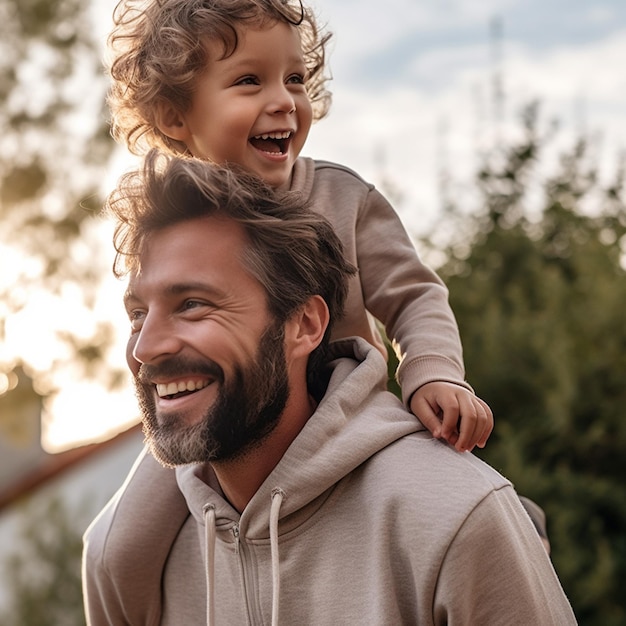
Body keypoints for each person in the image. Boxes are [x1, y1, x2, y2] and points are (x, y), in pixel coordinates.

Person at [82, 152, 577, 625]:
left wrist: (433, 370)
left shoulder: (455, 518)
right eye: (137, 315)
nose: (145, 348)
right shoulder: (137, 565)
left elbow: (415, 295)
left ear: (305, 324)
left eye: (192, 304)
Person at [105, 0, 493, 451]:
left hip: (349, 422)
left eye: (295, 79)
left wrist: (432, 373)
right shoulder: (169, 228)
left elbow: (414, 295)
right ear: (175, 115)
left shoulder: (344, 197)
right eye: (249, 81)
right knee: (147, 488)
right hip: (229, 429)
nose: (284, 101)